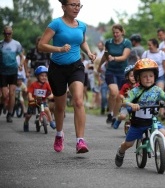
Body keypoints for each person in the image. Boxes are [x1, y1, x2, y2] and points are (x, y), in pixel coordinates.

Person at [38, 0, 96, 153]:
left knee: (78, 100)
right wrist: (59, 49)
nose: (76, 8)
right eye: (73, 5)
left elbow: (82, 41)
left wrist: (88, 52)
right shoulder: (56, 24)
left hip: (76, 66)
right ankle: (59, 134)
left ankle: (80, 141)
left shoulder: (82, 25)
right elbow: (41, 45)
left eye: (78, 5)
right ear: (64, 6)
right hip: (57, 68)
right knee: (59, 106)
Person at [114, 58, 165, 168]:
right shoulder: (135, 91)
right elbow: (125, 101)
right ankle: (121, 151)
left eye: (150, 76)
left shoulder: (157, 90)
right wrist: (132, 105)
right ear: (138, 78)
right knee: (129, 144)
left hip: (152, 121)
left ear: (155, 76)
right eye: (144, 76)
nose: (148, 79)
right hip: (137, 123)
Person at [97, 24, 132, 125]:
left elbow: (125, 57)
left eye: (117, 32)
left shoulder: (126, 43)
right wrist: (99, 66)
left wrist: (114, 58)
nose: (115, 34)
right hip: (110, 70)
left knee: (119, 96)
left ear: (122, 32)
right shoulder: (108, 42)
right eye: (114, 33)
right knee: (113, 92)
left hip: (122, 72)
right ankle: (110, 111)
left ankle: (113, 116)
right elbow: (105, 55)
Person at [141, 38, 165, 120]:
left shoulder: (162, 53)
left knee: (160, 93)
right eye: (148, 45)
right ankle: (150, 112)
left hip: (160, 75)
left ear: (155, 45)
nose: (149, 46)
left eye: (150, 45)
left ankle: (162, 112)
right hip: (149, 77)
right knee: (150, 94)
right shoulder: (146, 54)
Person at [0, 25, 24, 123]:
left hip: (13, 71)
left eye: (9, 33)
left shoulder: (16, 44)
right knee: (5, 95)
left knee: (12, 93)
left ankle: (9, 114)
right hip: (2, 72)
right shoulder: (1, 44)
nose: (7, 35)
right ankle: (2, 105)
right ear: (3, 34)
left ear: (12, 33)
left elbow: (22, 56)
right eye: (5, 33)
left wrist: (21, 65)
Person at [23, 66, 56, 132]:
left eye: (45, 76)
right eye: (42, 75)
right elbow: (30, 93)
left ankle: (51, 121)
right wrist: (30, 98)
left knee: (46, 109)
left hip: (42, 101)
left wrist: (51, 96)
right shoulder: (34, 85)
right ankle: (26, 123)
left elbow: (52, 92)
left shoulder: (47, 85)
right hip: (34, 101)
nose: (44, 77)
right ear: (37, 76)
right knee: (29, 115)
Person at [112, 65, 138, 129]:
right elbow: (120, 94)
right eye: (131, 76)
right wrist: (123, 98)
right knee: (123, 116)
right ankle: (118, 120)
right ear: (127, 77)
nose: (133, 78)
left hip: (136, 105)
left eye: (135, 76)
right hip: (126, 105)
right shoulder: (125, 86)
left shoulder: (139, 86)